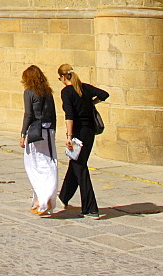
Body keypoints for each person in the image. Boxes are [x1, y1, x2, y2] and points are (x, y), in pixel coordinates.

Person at [57, 62, 109, 219]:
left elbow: (69, 116)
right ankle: (64, 197)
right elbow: (104, 94)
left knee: (80, 168)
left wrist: (69, 136)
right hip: (89, 132)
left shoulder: (67, 92)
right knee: (75, 163)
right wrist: (91, 103)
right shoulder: (85, 88)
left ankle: (91, 208)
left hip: (78, 133)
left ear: (62, 77)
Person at [19, 65, 58, 217]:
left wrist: (23, 134)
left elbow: (29, 114)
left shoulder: (29, 92)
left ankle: (44, 198)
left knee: (34, 166)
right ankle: (40, 200)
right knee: (48, 162)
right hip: (49, 130)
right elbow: (53, 113)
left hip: (36, 131)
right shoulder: (47, 92)